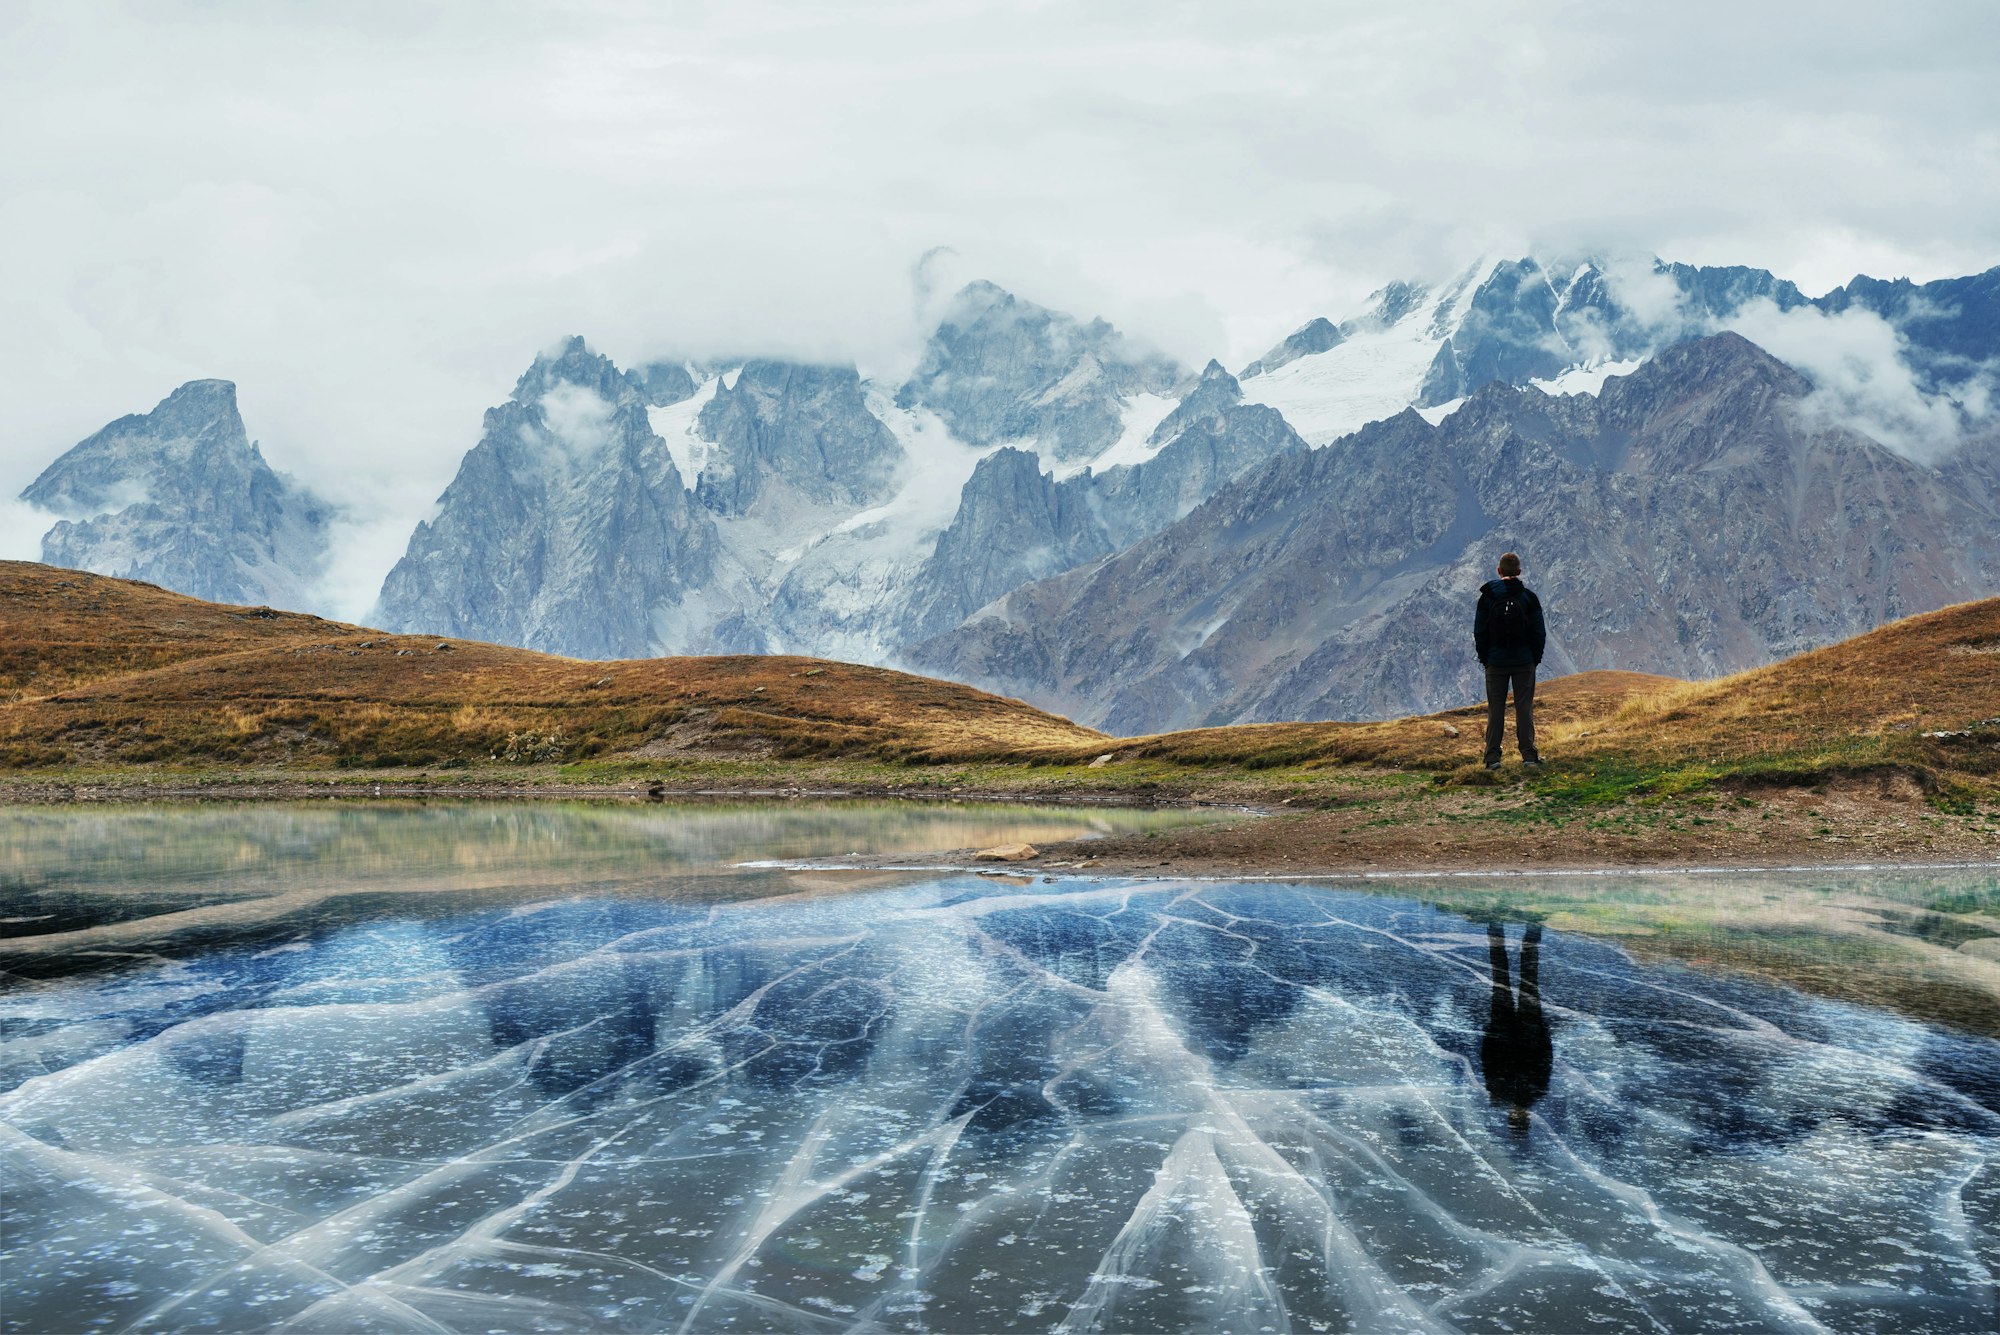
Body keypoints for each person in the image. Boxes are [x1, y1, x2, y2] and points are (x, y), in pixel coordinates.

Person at [1473, 551, 1545, 768]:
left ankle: (1492, 758)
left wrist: (1487, 659)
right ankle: (1529, 756)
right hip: (1524, 662)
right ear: (1519, 572)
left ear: (1499, 570)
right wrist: (1534, 659)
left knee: (1496, 710)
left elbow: (1479, 632)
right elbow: (1539, 633)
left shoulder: (1487, 598)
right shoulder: (1529, 598)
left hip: (1496, 663)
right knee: (1524, 709)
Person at [1481, 921, 1553, 1135]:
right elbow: (1545, 1061)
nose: (1517, 1115)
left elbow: (1488, 1061)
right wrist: (1543, 1034)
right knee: (1523, 979)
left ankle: (1499, 926)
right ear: (1526, 1119)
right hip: (1527, 1032)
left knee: (1505, 979)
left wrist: (1491, 1033)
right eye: (1519, 1119)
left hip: (1505, 1032)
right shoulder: (1532, 1093)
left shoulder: (1500, 1094)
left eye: (1514, 1119)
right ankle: (1528, 927)